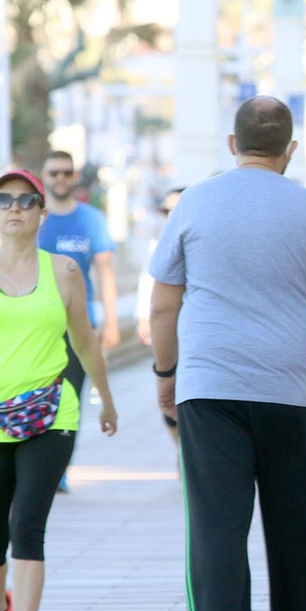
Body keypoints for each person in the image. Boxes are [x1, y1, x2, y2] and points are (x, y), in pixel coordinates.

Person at [148, 96, 306, 611]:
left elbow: (163, 303)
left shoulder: (195, 201)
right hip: (294, 391)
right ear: (290, 149)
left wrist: (167, 373)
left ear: (232, 144)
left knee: (215, 528)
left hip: (209, 387)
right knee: (296, 526)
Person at [0, 169, 118, 611]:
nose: (15, 208)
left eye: (26, 200)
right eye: (4, 201)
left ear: (41, 214)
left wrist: (105, 400)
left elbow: (87, 341)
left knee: (27, 526)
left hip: (52, 413)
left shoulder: (65, 271)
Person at [39, 151, 119, 494]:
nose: (60, 178)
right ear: (44, 176)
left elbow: (104, 270)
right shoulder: (34, 219)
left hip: (78, 325)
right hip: (39, 325)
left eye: (66, 172)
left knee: (71, 398)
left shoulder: (91, 220)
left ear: (74, 178)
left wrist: (111, 321)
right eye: (53, 172)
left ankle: (59, 469)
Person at [136, 187, 185, 442]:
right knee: (170, 409)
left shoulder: (198, 241)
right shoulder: (158, 245)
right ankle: (182, 458)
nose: (171, 215)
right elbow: (148, 282)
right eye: (166, 211)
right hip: (168, 336)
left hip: (193, 336)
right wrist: (143, 316)